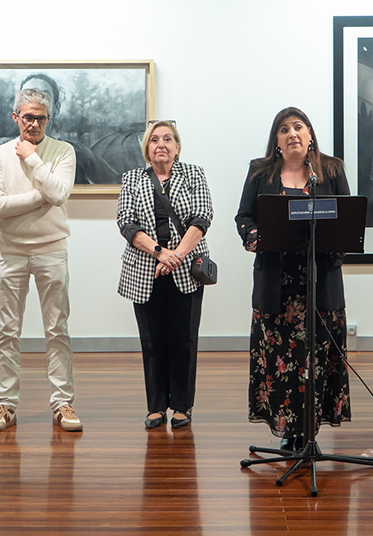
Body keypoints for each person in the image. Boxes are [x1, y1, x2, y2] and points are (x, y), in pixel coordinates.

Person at [235, 107, 351, 451]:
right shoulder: (261, 172)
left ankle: (312, 430)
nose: (292, 133)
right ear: (277, 140)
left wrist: (336, 248)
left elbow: (347, 219)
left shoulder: (330, 170)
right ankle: (290, 430)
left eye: (298, 127)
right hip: (277, 283)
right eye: (283, 129)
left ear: (310, 134)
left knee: (317, 356)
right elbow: (244, 216)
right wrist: (254, 236)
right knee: (282, 359)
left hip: (319, 282)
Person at [0, 86, 83, 433]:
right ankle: (5, 405)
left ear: (48, 119)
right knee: (7, 332)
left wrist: (33, 158)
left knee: (57, 329)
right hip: (10, 252)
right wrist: (42, 196)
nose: (34, 123)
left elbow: (60, 193)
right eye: (28, 117)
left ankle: (62, 403)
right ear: (16, 117)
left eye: (41, 118)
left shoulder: (62, 151)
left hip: (51, 250)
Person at [116, 120, 213, 430]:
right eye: (155, 139)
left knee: (184, 339)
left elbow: (202, 217)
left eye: (168, 138)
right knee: (153, 340)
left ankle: (182, 405)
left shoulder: (193, 174)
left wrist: (175, 257)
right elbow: (127, 224)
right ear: (147, 148)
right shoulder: (132, 179)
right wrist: (160, 252)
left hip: (187, 269)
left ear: (177, 147)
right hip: (145, 271)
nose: (161, 143)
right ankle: (157, 405)